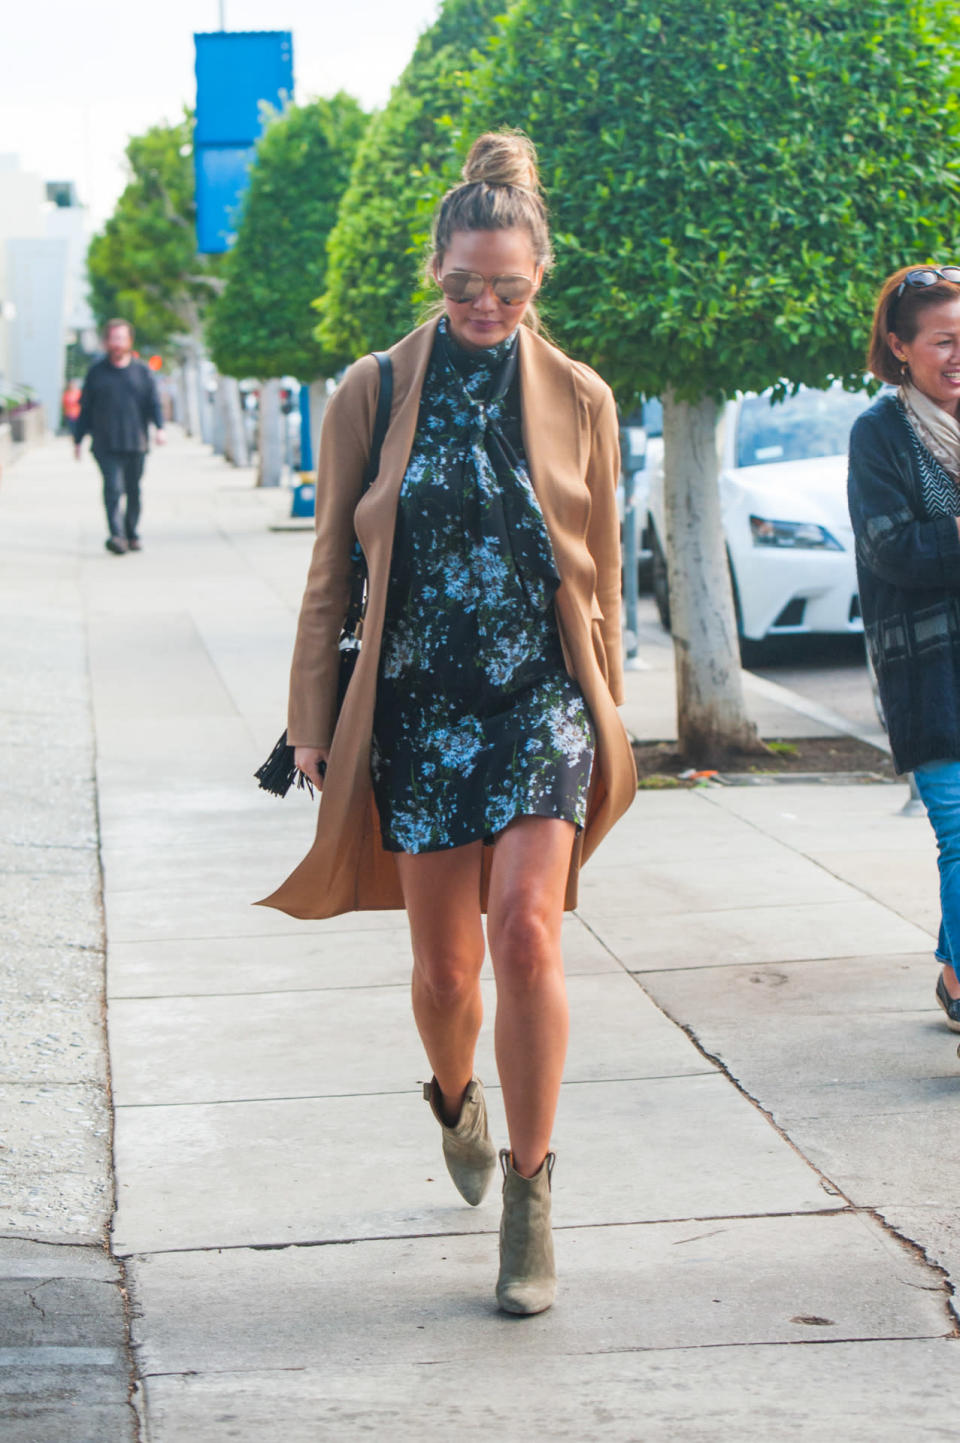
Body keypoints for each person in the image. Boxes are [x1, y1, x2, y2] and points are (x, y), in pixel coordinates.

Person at [258, 132, 636, 1314]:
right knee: (443, 968)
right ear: (435, 269)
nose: (485, 303)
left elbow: (606, 579)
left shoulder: (582, 399)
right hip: (417, 705)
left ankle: (531, 1201)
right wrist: (312, 719)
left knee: (527, 932)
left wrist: (611, 711)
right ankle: (454, 1098)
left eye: (508, 288)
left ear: (540, 283)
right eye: (466, 282)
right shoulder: (370, 391)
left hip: (540, 701)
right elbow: (333, 571)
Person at [848, 264, 960, 1041]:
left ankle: (955, 970)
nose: (959, 354)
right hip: (928, 667)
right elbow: (893, 551)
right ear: (900, 345)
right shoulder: (880, 433)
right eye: (944, 340)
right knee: (958, 830)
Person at [74, 319, 165, 553]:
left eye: (121, 338)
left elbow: (153, 404)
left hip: (136, 442)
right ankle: (117, 536)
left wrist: (160, 428)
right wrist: (78, 439)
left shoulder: (142, 371)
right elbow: (85, 407)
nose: (117, 343)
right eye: (113, 338)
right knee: (113, 488)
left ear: (129, 341)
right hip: (105, 443)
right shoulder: (96, 372)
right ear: (106, 342)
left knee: (133, 490)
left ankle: (131, 532)